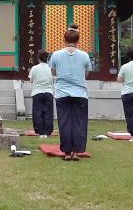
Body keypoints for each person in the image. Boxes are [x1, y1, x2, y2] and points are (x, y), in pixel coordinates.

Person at [49, 23, 91, 161]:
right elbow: (86, 74)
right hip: (80, 93)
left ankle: (67, 153)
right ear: (78, 40)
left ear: (64, 39)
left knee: (64, 122)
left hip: (62, 93)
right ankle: (76, 153)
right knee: (79, 123)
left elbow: (53, 72)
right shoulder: (84, 56)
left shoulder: (56, 55)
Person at [29, 49, 54, 138]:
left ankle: (40, 132)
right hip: (48, 92)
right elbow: (53, 80)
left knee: (37, 112)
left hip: (37, 92)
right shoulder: (51, 68)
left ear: (38, 58)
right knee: (48, 112)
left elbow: (31, 80)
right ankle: (47, 131)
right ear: (47, 58)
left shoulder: (34, 68)